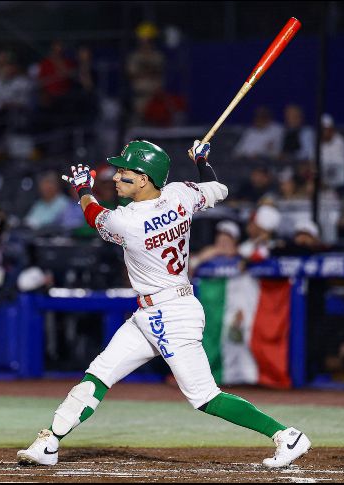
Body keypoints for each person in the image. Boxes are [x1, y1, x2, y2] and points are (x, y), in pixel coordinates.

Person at [16, 139, 311, 468]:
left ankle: (286, 435)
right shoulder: (180, 194)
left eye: (123, 171)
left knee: (205, 397)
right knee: (99, 373)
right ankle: (51, 441)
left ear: (143, 179)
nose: (116, 177)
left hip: (170, 315)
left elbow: (92, 213)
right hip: (152, 311)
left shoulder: (127, 222)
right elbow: (217, 188)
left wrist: (83, 187)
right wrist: (202, 161)